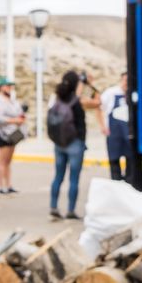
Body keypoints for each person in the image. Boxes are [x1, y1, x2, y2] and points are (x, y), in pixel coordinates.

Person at [47, 71, 98, 220]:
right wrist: (89, 85)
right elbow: (96, 103)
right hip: (75, 143)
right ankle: (70, 210)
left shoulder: (57, 99)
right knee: (74, 178)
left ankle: (54, 206)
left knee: (58, 176)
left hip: (59, 142)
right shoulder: (77, 101)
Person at [0, 76, 25, 194]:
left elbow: (19, 112)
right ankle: (1, 186)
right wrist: (14, 120)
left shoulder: (12, 100)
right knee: (3, 160)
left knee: (9, 160)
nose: (9, 88)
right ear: (1, 87)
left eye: (10, 86)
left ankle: (9, 185)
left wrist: (20, 118)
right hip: (2, 133)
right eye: (7, 86)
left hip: (13, 132)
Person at [100, 72, 131, 182]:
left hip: (129, 135)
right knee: (114, 163)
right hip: (114, 134)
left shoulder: (133, 93)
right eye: (124, 80)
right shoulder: (111, 93)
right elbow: (98, 107)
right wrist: (103, 126)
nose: (126, 83)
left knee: (131, 164)